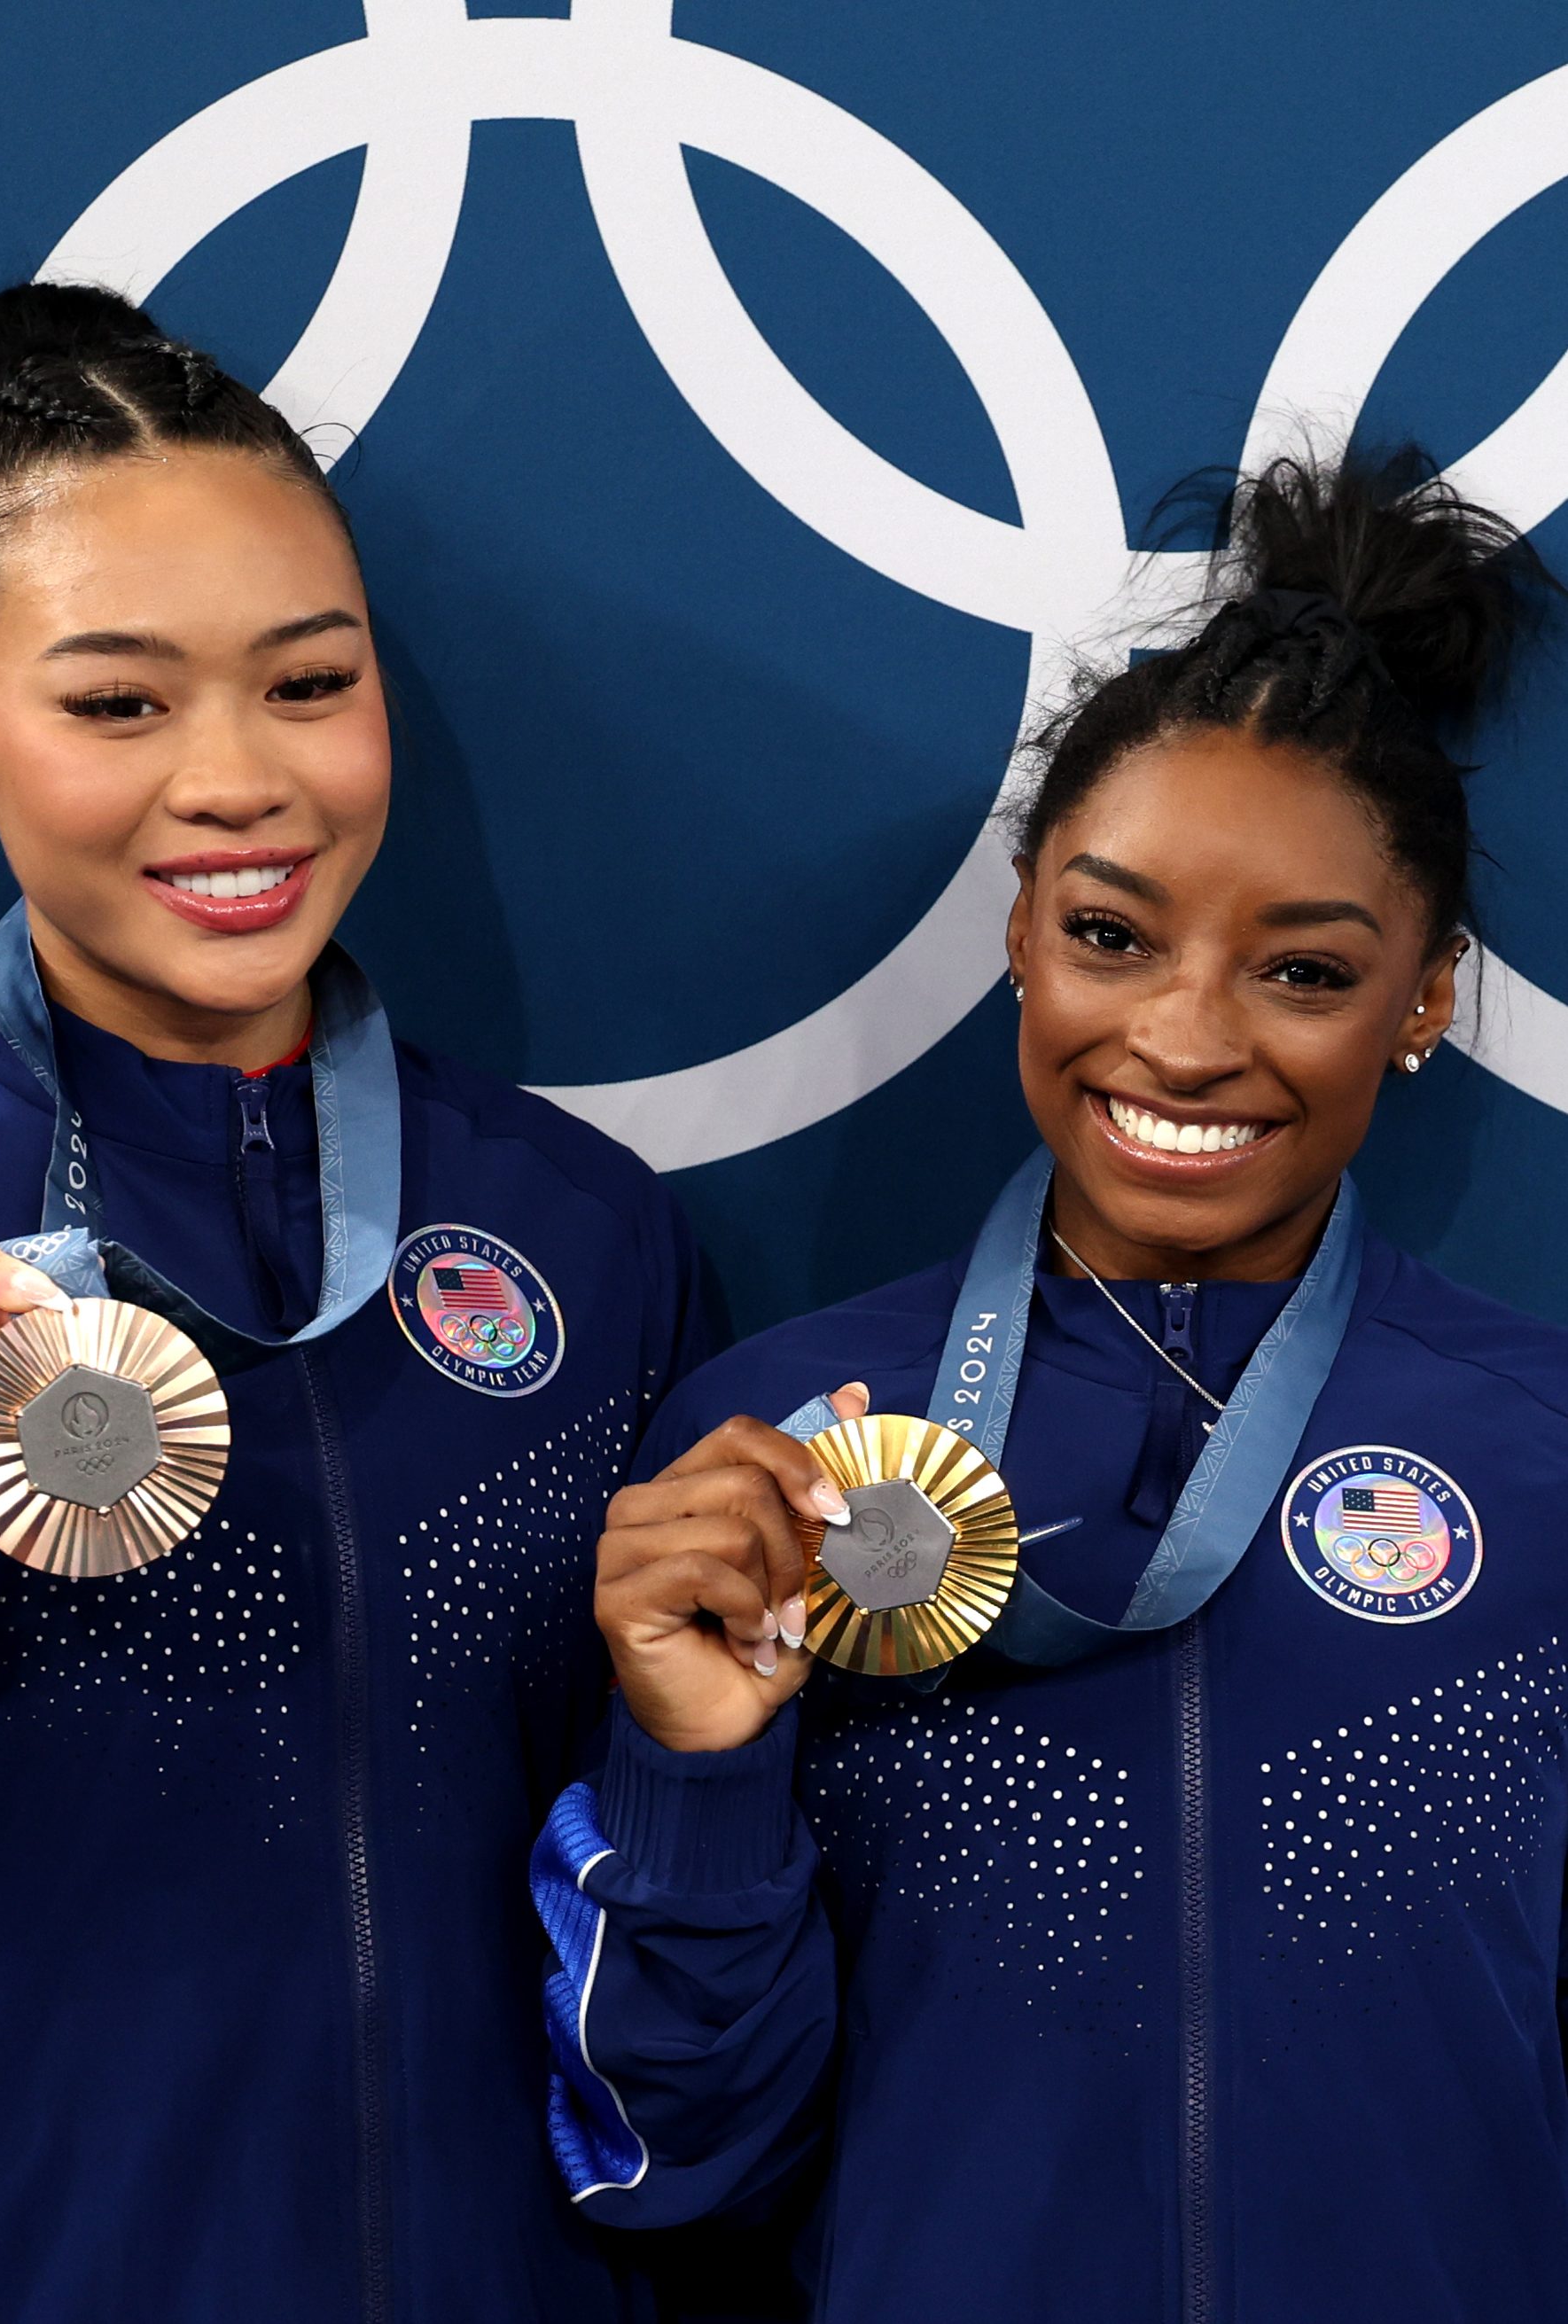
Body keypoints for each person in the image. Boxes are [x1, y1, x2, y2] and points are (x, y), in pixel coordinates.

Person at [534, 448, 1568, 2324]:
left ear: (1423, 998)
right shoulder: (777, 1446)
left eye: (1303, 971)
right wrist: (699, 1767)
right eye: (1110, 935)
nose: (1183, 1034)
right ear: (1020, 929)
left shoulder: (1541, 1450)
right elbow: (680, 2164)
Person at [0, 283, 722, 2324]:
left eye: (308, 683)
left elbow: (672, 1910)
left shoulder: (584, 1238)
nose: (237, 779)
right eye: (118, 706)